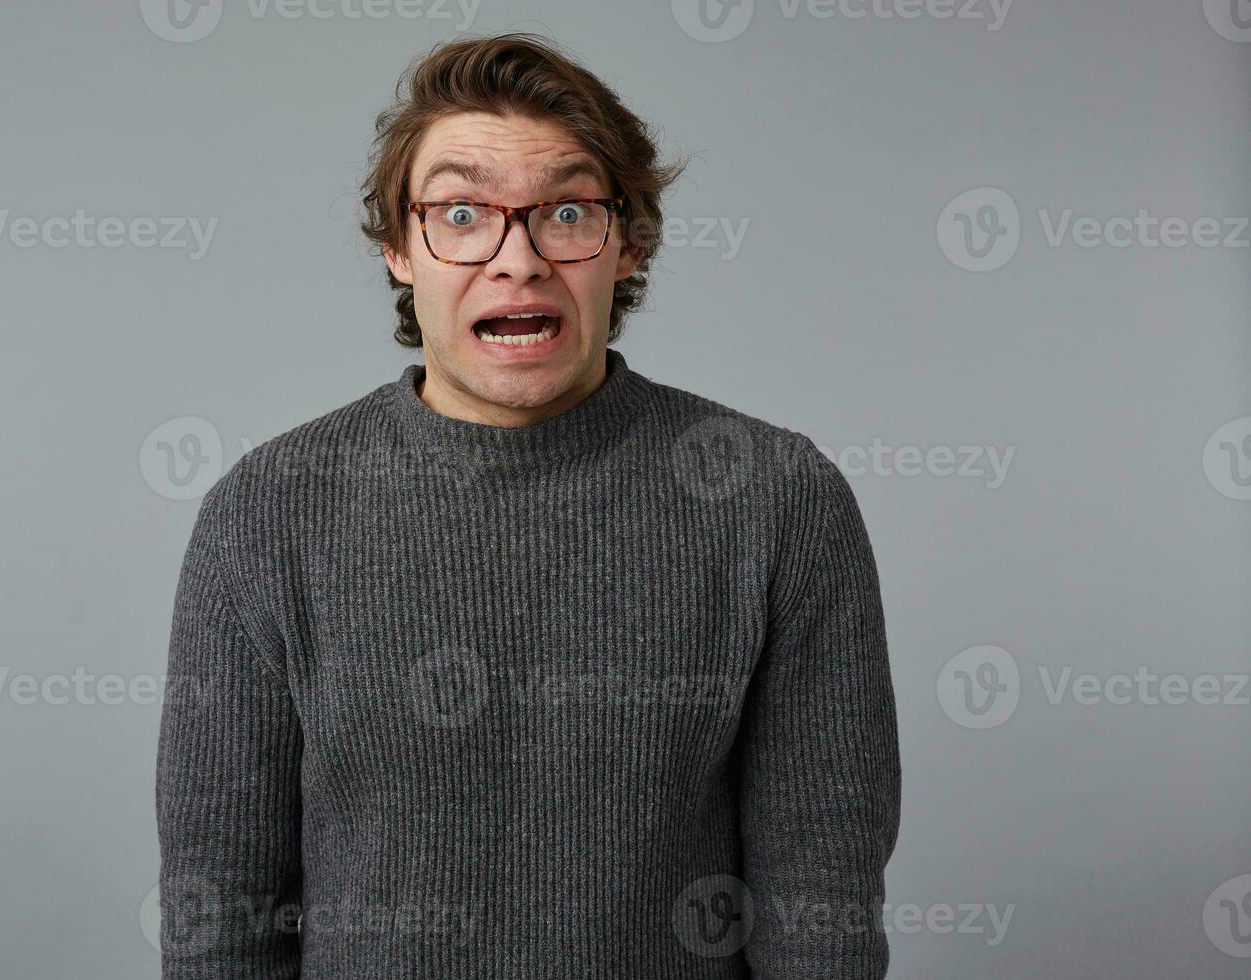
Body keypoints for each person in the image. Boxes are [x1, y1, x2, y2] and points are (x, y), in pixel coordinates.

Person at [156, 31, 901, 979]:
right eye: (461, 212)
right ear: (397, 249)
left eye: (565, 211)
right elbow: (221, 913)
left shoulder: (779, 500)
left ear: (626, 244)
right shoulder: (265, 512)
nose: (517, 258)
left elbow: (821, 912)